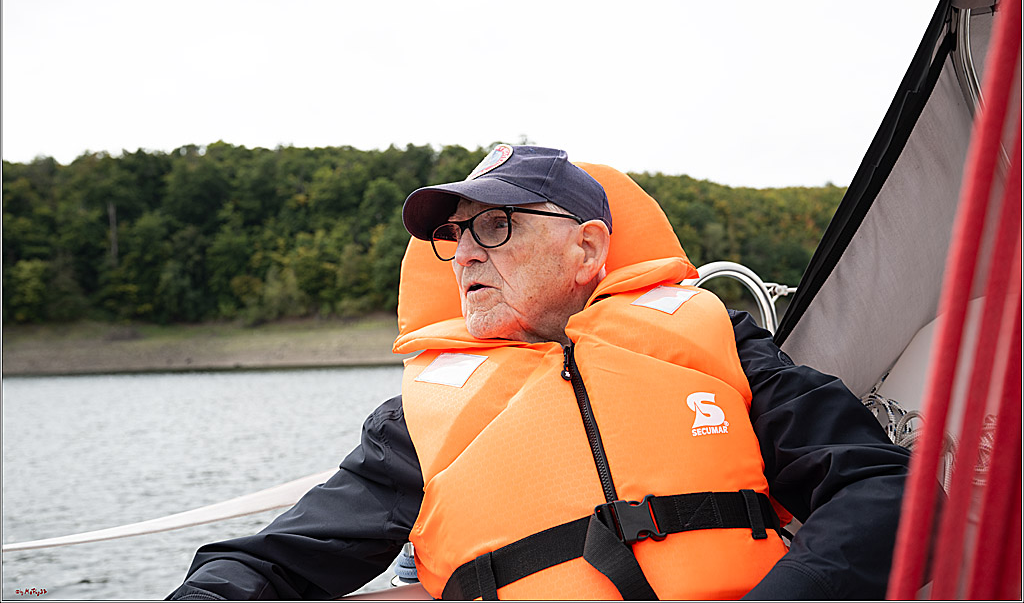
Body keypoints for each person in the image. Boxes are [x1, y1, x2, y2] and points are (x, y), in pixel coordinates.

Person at [169, 145, 911, 600]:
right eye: (454, 236)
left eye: (497, 226)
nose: (463, 255)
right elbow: (266, 565)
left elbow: (883, 492)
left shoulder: (720, 348)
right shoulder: (419, 425)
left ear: (587, 250)